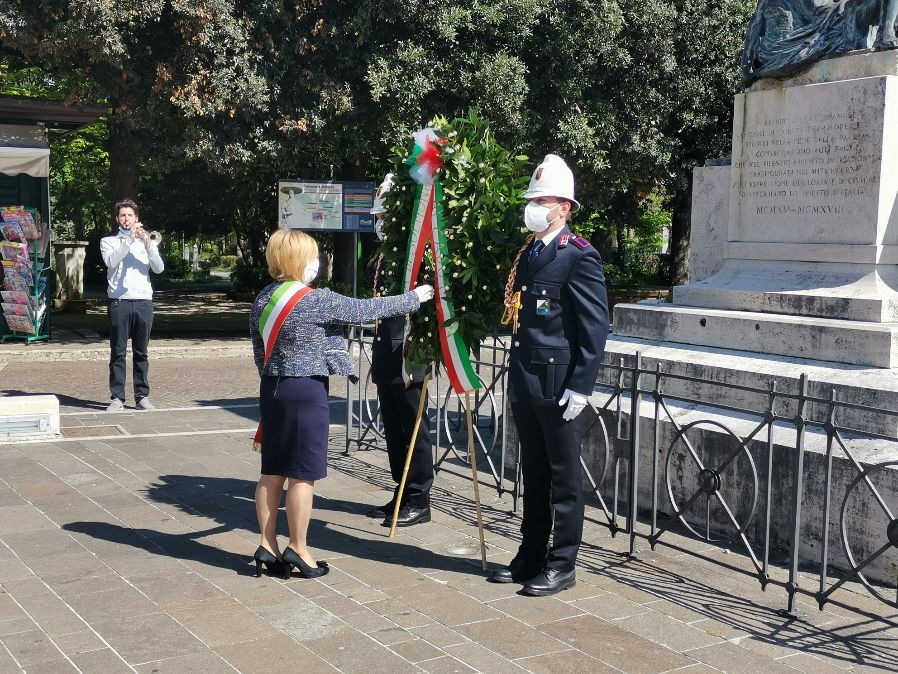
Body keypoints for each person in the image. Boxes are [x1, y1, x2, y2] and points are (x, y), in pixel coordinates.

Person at [250, 228, 434, 579]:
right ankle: (299, 549)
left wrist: (274, 375)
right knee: (302, 475)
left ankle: (267, 544)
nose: (317, 262)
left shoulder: (263, 299)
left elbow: (259, 353)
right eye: (313, 255)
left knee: (271, 471)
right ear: (300, 261)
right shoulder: (314, 299)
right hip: (305, 392)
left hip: (272, 389)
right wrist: (414, 298)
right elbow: (365, 309)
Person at [490, 154, 609, 596]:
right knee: (534, 475)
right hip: (526, 380)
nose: (533, 206)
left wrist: (581, 385)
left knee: (563, 478)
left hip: (558, 385)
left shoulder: (578, 256)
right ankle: (530, 556)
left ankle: (563, 563)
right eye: (532, 199)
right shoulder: (531, 252)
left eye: (542, 199)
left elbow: (594, 328)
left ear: (565, 207)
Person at [366, 174, 434, 527]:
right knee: (394, 428)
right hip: (386, 352)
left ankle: (419, 496)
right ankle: (402, 491)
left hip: (410, 354)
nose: (379, 223)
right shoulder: (385, 256)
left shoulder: (414, 256)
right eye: (377, 218)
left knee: (413, 428)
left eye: (384, 217)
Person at [100, 199, 165, 412]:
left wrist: (149, 245)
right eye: (122, 215)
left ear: (137, 218)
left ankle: (142, 396)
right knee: (118, 351)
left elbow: (159, 269)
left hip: (144, 301)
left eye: (130, 215)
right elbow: (111, 261)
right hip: (119, 302)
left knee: (142, 352)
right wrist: (128, 240)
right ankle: (117, 397)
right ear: (117, 218)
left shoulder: (147, 242)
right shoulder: (108, 241)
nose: (126, 219)